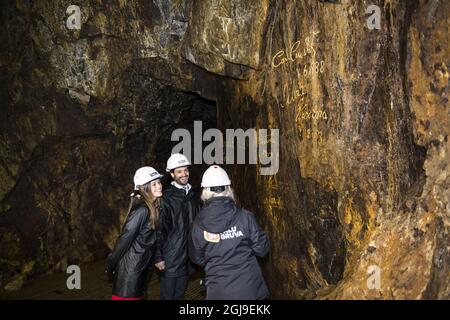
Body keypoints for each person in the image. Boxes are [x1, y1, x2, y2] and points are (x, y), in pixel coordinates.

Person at [189, 165, 270, 300]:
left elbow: (197, 259)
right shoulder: (245, 217)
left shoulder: (197, 225)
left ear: (205, 192)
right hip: (250, 289)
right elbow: (262, 249)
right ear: (228, 189)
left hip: (218, 290)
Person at [106, 166, 163, 300]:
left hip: (140, 267)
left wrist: (157, 258)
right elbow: (124, 239)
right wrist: (111, 263)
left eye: (159, 182)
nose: (159, 186)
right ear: (144, 188)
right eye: (153, 184)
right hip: (130, 271)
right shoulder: (142, 210)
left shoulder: (153, 207)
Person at [154, 153, 200, 300]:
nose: (184, 174)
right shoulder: (166, 198)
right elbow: (159, 229)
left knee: (180, 295)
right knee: (168, 296)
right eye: (179, 171)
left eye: (185, 170)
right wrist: (158, 257)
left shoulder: (193, 195)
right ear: (172, 174)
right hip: (171, 257)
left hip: (188, 256)